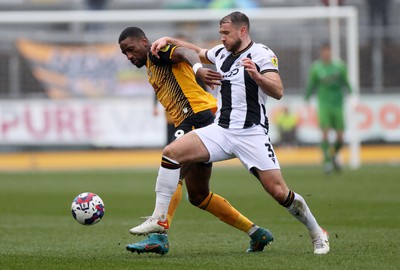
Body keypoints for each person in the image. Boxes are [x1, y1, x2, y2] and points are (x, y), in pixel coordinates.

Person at [132, 11, 330, 255]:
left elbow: (277, 91)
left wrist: (257, 76)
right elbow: (196, 50)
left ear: (242, 31)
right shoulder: (222, 54)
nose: (222, 38)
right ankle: (159, 219)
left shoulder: (262, 53)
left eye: (226, 33)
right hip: (221, 130)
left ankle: (317, 232)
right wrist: (167, 39)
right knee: (172, 153)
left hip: (251, 134)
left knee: (279, 192)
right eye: (220, 33)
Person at [119, 26, 274, 255]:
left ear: (144, 41)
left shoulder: (157, 52)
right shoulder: (152, 64)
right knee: (199, 195)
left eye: (131, 49)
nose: (129, 56)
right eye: (125, 53)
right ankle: (256, 233)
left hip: (195, 116)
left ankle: (158, 235)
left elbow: (185, 52)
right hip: (200, 117)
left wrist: (198, 68)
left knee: (173, 168)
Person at [305, 43, 352, 174]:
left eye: (328, 51)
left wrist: (353, 97)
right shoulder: (316, 68)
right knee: (325, 132)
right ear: (321, 53)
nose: (326, 54)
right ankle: (327, 163)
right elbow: (311, 85)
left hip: (337, 106)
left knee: (340, 138)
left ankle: (332, 156)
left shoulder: (339, 67)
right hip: (324, 106)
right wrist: (306, 100)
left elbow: (346, 83)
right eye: (324, 51)